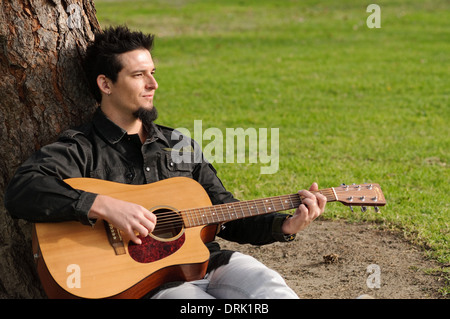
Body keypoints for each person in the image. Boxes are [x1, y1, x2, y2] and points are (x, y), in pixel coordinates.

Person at [4, 25, 326, 299]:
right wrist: (103, 205)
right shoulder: (83, 148)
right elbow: (23, 190)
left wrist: (285, 225)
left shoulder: (178, 145)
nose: (153, 85)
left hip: (205, 262)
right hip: (146, 285)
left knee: (271, 288)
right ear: (106, 84)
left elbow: (225, 213)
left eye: (153, 73)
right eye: (139, 75)